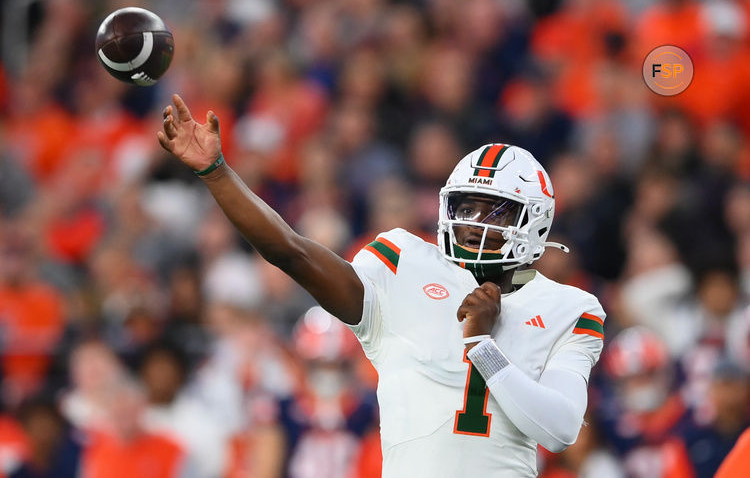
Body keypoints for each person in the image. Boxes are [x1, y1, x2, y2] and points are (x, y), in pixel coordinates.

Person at [157, 94, 606, 477]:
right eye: (466, 207)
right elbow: (290, 251)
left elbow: (560, 428)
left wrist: (484, 346)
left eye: (494, 212)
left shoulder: (570, 306)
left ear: (537, 220)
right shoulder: (404, 263)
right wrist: (216, 172)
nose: (473, 224)